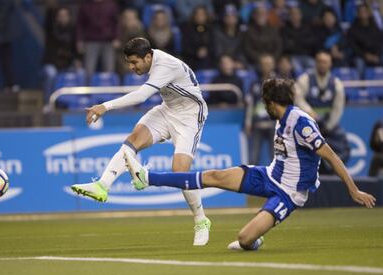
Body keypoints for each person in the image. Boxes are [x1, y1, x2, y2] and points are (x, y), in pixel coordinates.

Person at [123, 78, 376, 251]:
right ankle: (147, 177)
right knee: (213, 175)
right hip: (268, 175)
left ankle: (254, 240)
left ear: (271, 102)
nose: (263, 106)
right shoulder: (283, 116)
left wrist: (353, 190)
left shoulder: (301, 122)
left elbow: (331, 156)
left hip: (289, 193)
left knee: (244, 240)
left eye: (264, 102)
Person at [71, 38, 211, 246]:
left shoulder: (164, 64)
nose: (131, 67)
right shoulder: (152, 60)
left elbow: (141, 96)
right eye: (128, 62)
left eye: (134, 62)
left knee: (180, 171)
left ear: (148, 57)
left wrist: (104, 106)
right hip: (168, 110)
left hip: (190, 117)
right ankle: (102, 186)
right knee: (133, 139)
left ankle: (201, 220)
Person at [294, 51, 349, 174]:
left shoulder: (336, 84)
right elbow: (298, 99)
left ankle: (334, 173)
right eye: (319, 61)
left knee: (343, 146)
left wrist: (329, 126)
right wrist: (310, 113)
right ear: (315, 63)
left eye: (325, 62)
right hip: (308, 124)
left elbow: (338, 108)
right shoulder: (305, 79)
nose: (322, 64)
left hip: (328, 126)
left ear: (330, 64)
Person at [42, 6, 82, 102]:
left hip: (68, 63)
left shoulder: (73, 31)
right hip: (52, 63)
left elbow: (76, 50)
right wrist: (50, 6)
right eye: (61, 15)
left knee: (81, 73)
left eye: (65, 15)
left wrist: (78, 59)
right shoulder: (51, 31)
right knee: (51, 74)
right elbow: (48, 21)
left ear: (69, 17)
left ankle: (79, 102)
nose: (63, 17)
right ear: (57, 18)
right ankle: (48, 103)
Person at [245, 54, 276, 165]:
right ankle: (252, 180)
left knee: (276, 157)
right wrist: (248, 122)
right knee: (253, 157)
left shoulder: (279, 83)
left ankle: (276, 180)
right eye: (264, 64)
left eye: (268, 64)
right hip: (257, 125)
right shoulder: (255, 83)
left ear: (273, 65)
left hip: (274, 125)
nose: (266, 66)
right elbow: (250, 104)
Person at [76, 0, 120, 79]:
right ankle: (88, 91)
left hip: (108, 41)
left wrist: (116, 37)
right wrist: (79, 40)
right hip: (90, 41)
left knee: (109, 69)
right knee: (89, 70)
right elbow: (80, 25)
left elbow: (115, 23)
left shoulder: (111, 4)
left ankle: (109, 90)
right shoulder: (85, 5)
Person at [347, 4, 383, 75]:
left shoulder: (375, 27)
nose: (363, 14)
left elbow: (380, 42)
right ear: (358, 14)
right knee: (359, 63)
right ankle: (360, 85)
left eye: (365, 11)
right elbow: (353, 46)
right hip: (360, 56)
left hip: (376, 55)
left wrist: (377, 55)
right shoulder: (353, 29)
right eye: (361, 12)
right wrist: (365, 55)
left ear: (369, 13)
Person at [281, 6, 316, 73]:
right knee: (297, 70)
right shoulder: (285, 29)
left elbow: (311, 43)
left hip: (306, 55)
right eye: (292, 14)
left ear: (300, 15)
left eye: (297, 14)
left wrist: (295, 41)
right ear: (289, 16)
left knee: (314, 66)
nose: (295, 16)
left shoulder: (307, 27)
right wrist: (302, 41)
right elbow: (286, 46)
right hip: (292, 56)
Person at [181, 5, 215, 70]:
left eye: (202, 14)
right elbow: (185, 46)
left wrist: (207, 50)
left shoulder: (211, 28)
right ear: (194, 16)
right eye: (198, 14)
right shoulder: (187, 28)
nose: (200, 17)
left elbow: (214, 45)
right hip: (191, 59)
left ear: (206, 16)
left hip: (208, 59)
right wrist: (196, 52)